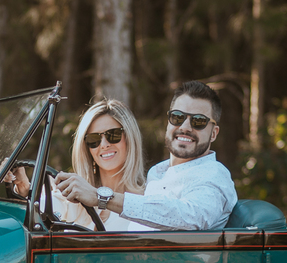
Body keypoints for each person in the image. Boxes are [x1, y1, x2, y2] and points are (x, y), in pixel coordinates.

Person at [55, 81, 237, 230]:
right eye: (177, 117)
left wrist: (102, 197)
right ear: (168, 123)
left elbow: (191, 216)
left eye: (198, 121)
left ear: (214, 133)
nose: (185, 127)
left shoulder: (214, 174)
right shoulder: (158, 174)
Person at [9, 99, 147, 230]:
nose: (104, 145)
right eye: (94, 139)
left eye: (113, 135)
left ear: (130, 138)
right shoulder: (75, 195)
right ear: (87, 148)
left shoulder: (147, 200)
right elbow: (37, 212)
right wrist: (23, 188)